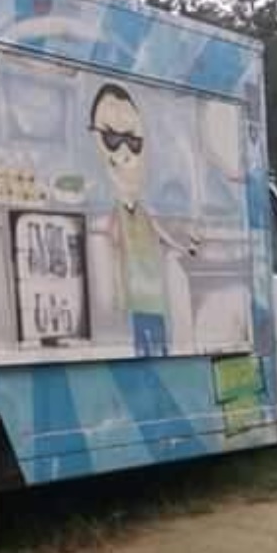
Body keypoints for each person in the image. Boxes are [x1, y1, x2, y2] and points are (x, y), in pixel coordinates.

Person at [90, 83, 198, 357]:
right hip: (136, 295)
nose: (124, 153)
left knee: (155, 341)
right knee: (143, 340)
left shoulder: (144, 212)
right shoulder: (113, 212)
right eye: (112, 138)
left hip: (152, 293)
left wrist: (185, 247)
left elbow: (162, 234)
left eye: (134, 142)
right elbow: (108, 238)